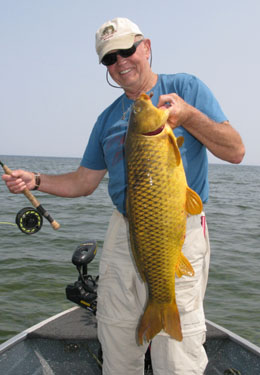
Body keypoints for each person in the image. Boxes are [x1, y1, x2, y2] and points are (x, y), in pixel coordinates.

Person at [2, 17, 245, 375]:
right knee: (115, 332)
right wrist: (35, 180)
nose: (120, 63)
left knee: (177, 354)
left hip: (179, 227)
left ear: (146, 47)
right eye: (109, 59)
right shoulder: (106, 120)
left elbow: (236, 151)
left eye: (126, 51)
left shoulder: (186, 89)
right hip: (125, 229)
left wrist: (189, 116)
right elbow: (84, 181)